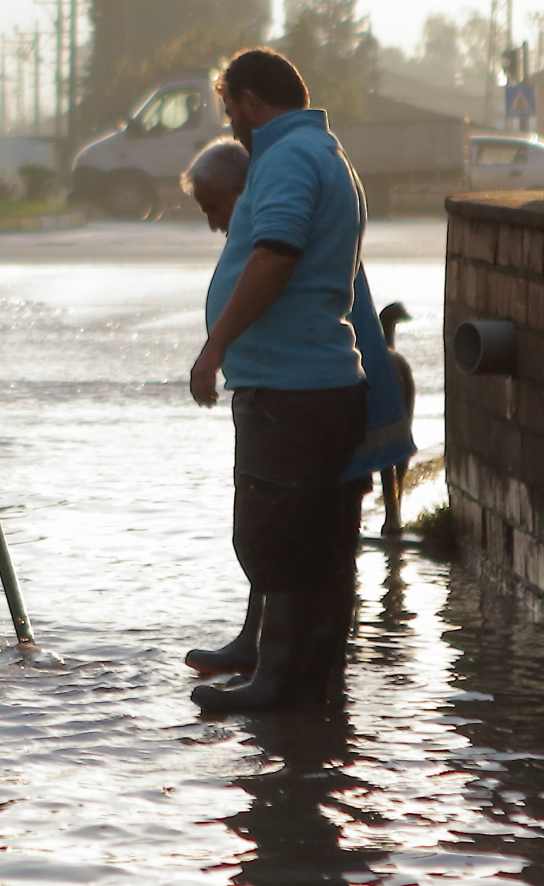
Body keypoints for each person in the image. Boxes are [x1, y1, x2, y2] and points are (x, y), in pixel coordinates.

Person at [177, 136, 415, 688]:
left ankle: (293, 669)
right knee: (276, 523)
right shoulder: (276, 210)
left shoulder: (281, 220)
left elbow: (284, 281)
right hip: (292, 387)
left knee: (290, 528)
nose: (214, 223)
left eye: (216, 207)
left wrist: (216, 349)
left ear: (246, 189)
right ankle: (263, 642)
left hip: (308, 394)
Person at [183, 50, 369, 714]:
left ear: (252, 100)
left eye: (230, 107)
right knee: (316, 537)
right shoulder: (322, 153)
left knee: (276, 531)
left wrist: (216, 344)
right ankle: (305, 675)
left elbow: (275, 256)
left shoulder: (288, 158)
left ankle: (280, 680)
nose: (231, 121)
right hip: (316, 383)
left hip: (289, 386)